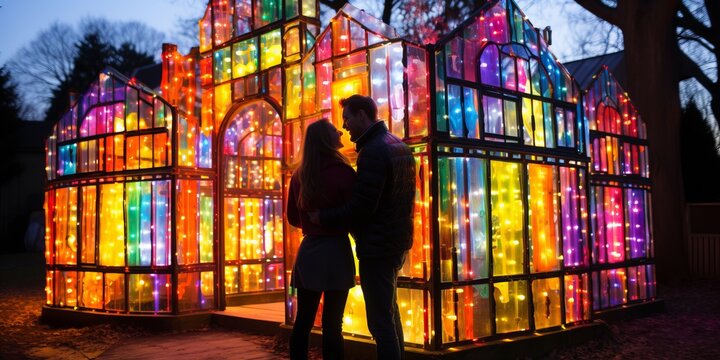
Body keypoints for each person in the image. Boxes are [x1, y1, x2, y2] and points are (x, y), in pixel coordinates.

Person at [311, 95, 416, 360]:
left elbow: (362, 207)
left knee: (380, 322)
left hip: (378, 246)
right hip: (396, 242)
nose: (345, 126)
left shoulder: (373, 151)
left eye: (347, 118)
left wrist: (323, 217)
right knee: (390, 316)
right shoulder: (397, 145)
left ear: (362, 115)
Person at [287, 119, 357, 360]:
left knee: (303, 321)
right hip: (337, 250)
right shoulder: (344, 173)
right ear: (327, 140)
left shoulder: (299, 175)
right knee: (333, 324)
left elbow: (293, 218)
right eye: (334, 130)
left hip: (310, 252)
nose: (340, 131)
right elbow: (354, 213)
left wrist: (312, 223)